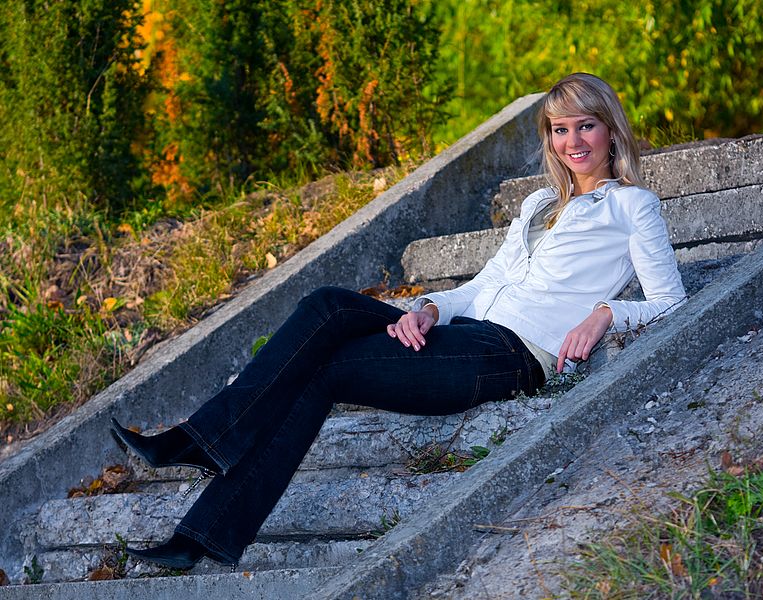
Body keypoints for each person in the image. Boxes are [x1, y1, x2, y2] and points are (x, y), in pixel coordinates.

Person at [110, 72, 687, 569]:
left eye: (585, 125)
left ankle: (205, 443)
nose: (572, 141)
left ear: (610, 127)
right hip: (465, 334)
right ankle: (201, 533)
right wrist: (430, 309)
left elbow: (669, 300)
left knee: (328, 321)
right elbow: (485, 285)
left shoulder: (631, 205)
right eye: (560, 129)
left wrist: (608, 312)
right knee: (325, 337)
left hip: (512, 356)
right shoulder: (538, 206)